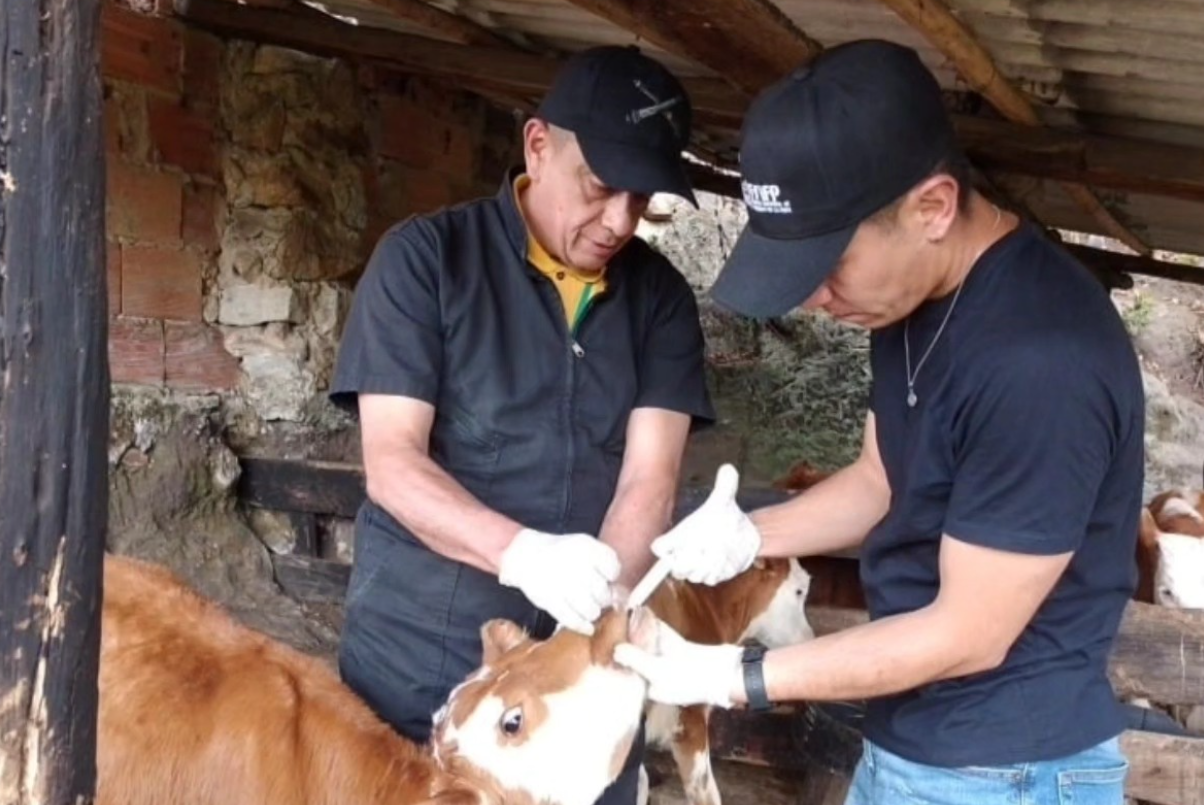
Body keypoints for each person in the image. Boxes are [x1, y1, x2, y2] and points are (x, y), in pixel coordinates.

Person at [614, 39, 1143, 805]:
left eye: (829, 265)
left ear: (932, 207)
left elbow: (968, 632)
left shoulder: (1040, 360)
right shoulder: (908, 300)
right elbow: (881, 479)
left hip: (1008, 772)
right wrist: (752, 535)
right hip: (916, 744)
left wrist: (733, 672)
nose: (812, 299)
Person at [328, 44, 715, 805]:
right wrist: (520, 553)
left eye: (642, 201)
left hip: (575, 682)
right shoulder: (426, 262)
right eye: (602, 187)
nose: (620, 221)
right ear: (538, 146)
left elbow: (650, 478)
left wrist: (602, 617)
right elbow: (393, 463)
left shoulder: (660, 299)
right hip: (419, 651)